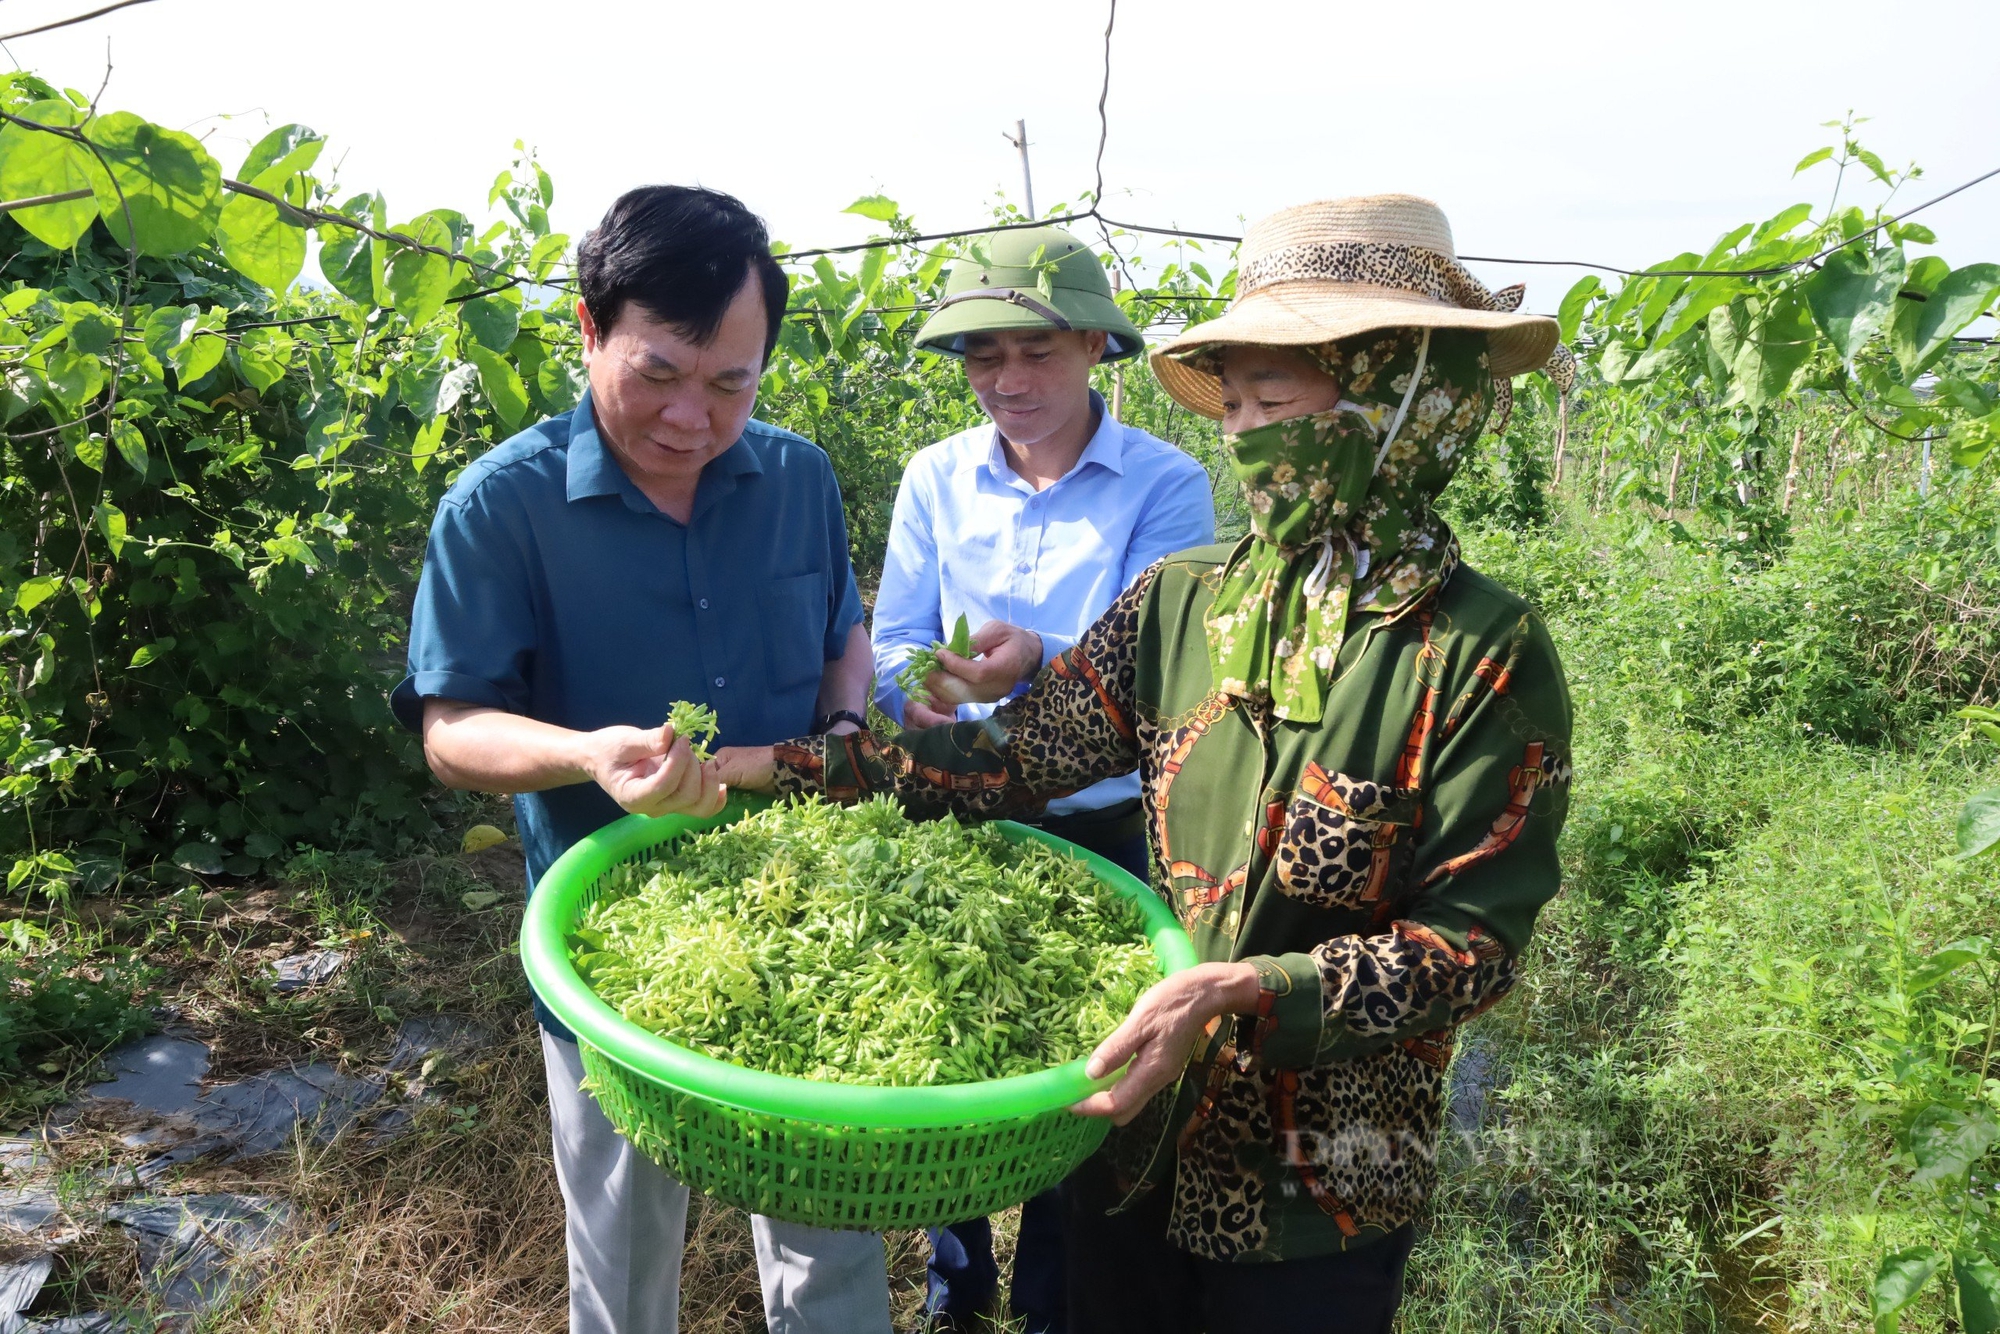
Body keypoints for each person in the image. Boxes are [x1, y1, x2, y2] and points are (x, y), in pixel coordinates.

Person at [709, 194, 1576, 1333]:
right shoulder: (1187, 601)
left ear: (1398, 406)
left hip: (1321, 1171)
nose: (1248, 433)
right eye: (1238, 401)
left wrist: (1250, 991)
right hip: (1134, 1127)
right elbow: (1001, 759)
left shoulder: (1475, 651)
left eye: (1281, 399)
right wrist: (774, 767)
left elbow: (1472, 943)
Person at [390, 185, 889, 1334]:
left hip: (818, 920)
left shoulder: (798, 479)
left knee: (830, 1231)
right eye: (658, 372)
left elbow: (839, 632)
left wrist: (847, 728)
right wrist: (586, 754)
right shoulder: (500, 508)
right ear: (587, 330)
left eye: (732, 382)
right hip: (614, 952)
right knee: (622, 1247)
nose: (692, 417)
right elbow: (452, 726)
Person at [876, 225, 1215, 1332]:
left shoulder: (1165, 488)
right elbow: (893, 642)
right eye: (982, 359)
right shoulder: (935, 476)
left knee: (1080, 1074)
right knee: (942, 1048)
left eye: (1038, 355)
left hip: (1104, 826)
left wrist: (1041, 661)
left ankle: (1053, 1298)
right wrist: (919, 688)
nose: (1009, 383)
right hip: (955, 814)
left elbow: (1162, 671)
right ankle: (954, 1287)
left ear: (1094, 352)